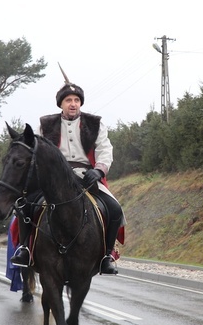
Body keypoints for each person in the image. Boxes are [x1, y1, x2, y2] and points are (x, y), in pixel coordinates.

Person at [10, 75, 124, 275]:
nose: (73, 104)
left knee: (115, 209)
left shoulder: (95, 124)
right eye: (69, 100)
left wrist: (98, 170)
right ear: (61, 104)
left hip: (86, 177)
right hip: (54, 180)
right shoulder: (45, 125)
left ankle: (106, 255)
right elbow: (35, 149)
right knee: (26, 205)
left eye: (77, 100)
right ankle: (25, 249)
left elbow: (105, 149)